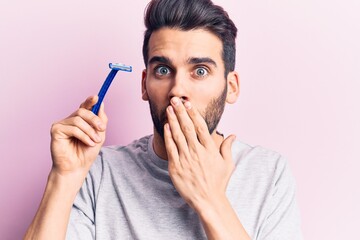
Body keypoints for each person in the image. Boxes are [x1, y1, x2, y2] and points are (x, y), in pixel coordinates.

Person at [25, 0, 302, 239]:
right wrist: (63, 178)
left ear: (231, 86)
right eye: (163, 69)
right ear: (144, 85)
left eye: (201, 71)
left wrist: (209, 198)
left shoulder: (268, 174)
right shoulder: (97, 172)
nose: (178, 89)